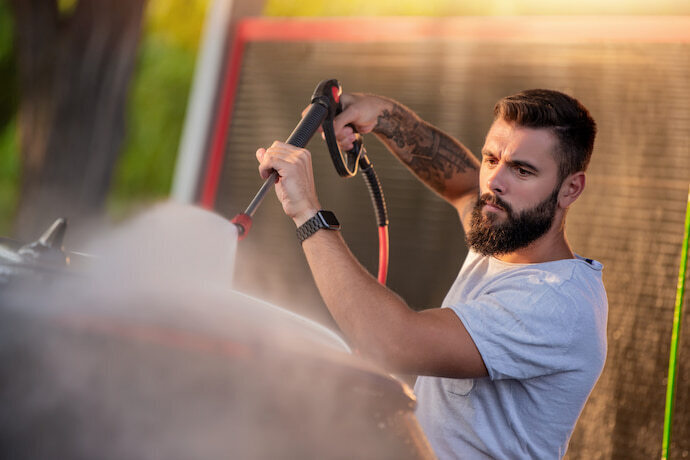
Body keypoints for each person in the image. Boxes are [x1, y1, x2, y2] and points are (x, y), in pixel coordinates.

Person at [255, 89, 608, 459]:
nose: (494, 183)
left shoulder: (555, 303)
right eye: (491, 159)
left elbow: (392, 342)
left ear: (571, 188)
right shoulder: (507, 225)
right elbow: (462, 185)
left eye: (522, 170)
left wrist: (307, 213)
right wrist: (386, 115)